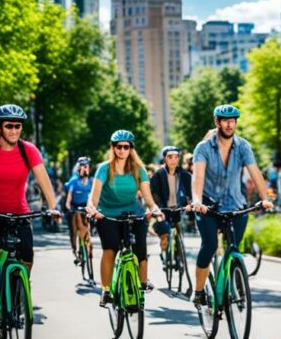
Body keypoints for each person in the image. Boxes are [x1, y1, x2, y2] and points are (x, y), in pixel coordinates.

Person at [0, 104, 61, 336]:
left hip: (19, 214)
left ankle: (17, 293)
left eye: (17, 126)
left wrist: (53, 207)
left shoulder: (28, 150)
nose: (14, 130)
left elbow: (43, 180)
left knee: (27, 259)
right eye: (9, 126)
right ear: (0, 127)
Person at [189, 105, 274, 307]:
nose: (229, 124)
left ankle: (233, 280)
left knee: (234, 247)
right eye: (225, 121)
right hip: (208, 206)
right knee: (209, 245)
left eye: (233, 120)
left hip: (235, 205)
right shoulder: (203, 148)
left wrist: (265, 197)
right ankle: (199, 290)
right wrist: (197, 200)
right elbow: (198, 177)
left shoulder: (243, 146)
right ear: (217, 122)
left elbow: (255, 174)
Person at [85, 130, 162, 306]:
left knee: (140, 250)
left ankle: (142, 283)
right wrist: (92, 208)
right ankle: (105, 290)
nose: (121, 150)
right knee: (110, 250)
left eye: (126, 147)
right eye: (118, 146)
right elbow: (94, 195)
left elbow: (148, 198)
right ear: (112, 148)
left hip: (133, 213)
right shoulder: (104, 169)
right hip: (107, 214)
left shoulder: (138, 169)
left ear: (130, 149)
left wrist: (155, 209)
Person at [150, 146, 192, 252]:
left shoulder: (185, 175)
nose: (173, 160)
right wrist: (158, 208)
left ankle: (179, 254)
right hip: (163, 209)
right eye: (170, 157)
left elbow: (190, 192)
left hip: (179, 208)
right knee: (164, 233)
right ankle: (164, 253)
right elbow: (154, 193)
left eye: (176, 157)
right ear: (164, 159)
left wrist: (190, 204)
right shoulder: (158, 175)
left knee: (179, 235)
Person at [64, 157, 93, 262]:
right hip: (74, 207)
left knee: (88, 227)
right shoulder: (74, 180)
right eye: (83, 166)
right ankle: (75, 252)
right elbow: (69, 195)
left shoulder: (91, 181)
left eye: (87, 166)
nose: (85, 168)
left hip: (86, 207)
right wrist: (68, 206)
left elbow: (93, 195)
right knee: (73, 230)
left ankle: (88, 248)